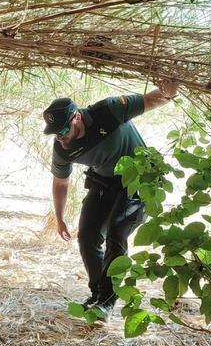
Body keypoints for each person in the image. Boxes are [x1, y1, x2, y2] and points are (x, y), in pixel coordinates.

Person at [42, 80, 178, 321]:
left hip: (139, 179)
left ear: (76, 119)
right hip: (104, 182)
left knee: (117, 232)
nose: (60, 138)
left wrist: (169, 90)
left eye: (63, 130)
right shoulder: (62, 149)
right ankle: (97, 296)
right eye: (55, 133)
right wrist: (60, 217)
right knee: (87, 237)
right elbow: (60, 183)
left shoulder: (109, 111)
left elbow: (151, 100)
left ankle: (106, 301)